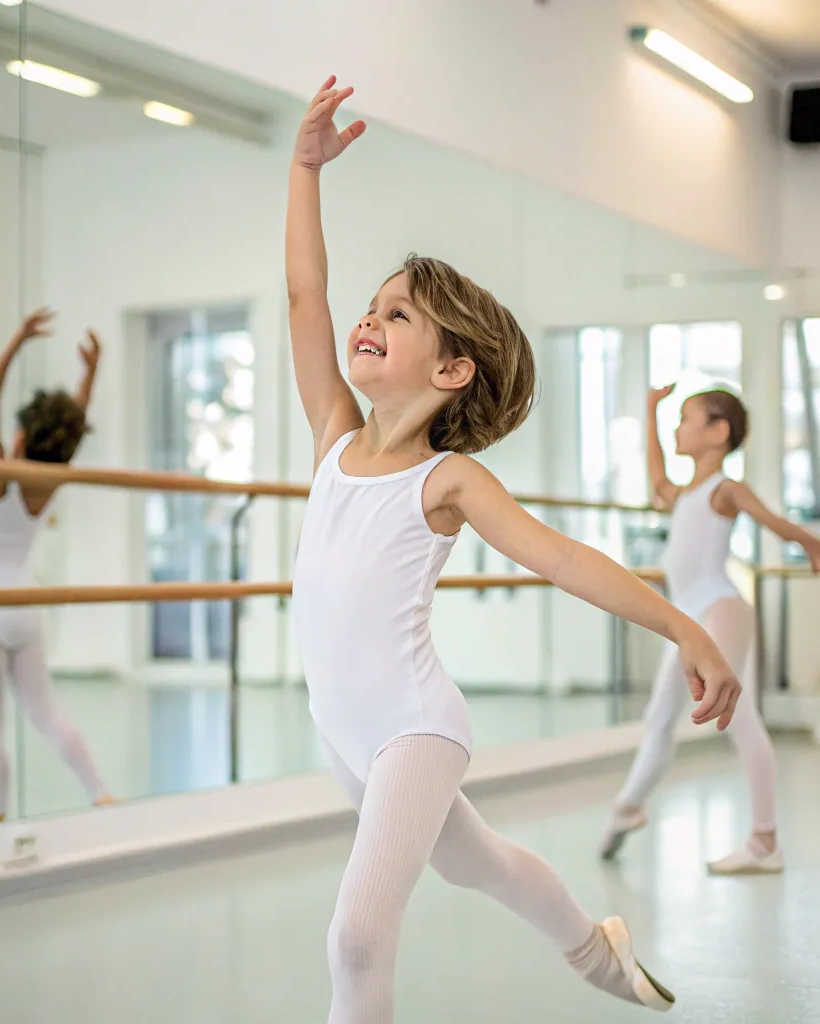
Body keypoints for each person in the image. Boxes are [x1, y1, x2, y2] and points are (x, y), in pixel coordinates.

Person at [287, 77, 743, 1021]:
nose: (366, 320)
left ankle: (590, 949)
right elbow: (304, 291)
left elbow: (566, 559)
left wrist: (685, 629)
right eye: (372, 307)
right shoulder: (335, 434)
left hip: (414, 728)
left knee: (356, 937)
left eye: (398, 315)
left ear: (453, 369)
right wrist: (304, 170)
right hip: (343, 729)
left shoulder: (446, 482)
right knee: (478, 863)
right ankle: (594, 947)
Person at [600, 384, 820, 874]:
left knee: (738, 716)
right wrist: (652, 411)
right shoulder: (685, 494)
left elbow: (774, 521)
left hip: (719, 608)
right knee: (660, 717)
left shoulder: (726, 489)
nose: (680, 428)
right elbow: (657, 478)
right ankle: (628, 807)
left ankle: (765, 842)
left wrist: (811, 543)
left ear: (719, 432)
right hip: (687, 619)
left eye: (686, 418)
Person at [0, 310, 111, 823]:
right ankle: (100, 793)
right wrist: (89, 375)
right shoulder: (51, 477)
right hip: (26, 610)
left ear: (18, 437)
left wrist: (17, 338)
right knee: (45, 711)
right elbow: (71, 426)